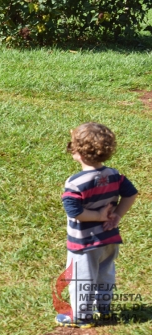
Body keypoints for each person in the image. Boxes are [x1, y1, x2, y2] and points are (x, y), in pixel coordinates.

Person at [55, 122, 138, 328]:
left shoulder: (75, 183)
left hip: (84, 242)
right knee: (105, 273)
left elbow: (75, 212)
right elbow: (131, 193)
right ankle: (104, 308)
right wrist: (117, 214)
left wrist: (99, 215)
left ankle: (81, 316)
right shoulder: (114, 175)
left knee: (81, 279)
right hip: (109, 238)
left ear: (77, 153)